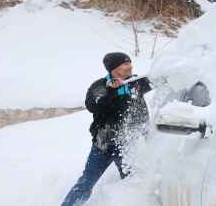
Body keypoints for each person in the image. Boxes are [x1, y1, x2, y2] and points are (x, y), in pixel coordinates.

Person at [61, 52, 152, 206]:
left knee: (134, 183)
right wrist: (111, 91)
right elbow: (93, 105)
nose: (129, 66)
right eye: (125, 64)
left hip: (128, 145)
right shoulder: (100, 87)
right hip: (104, 145)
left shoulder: (135, 82)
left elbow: (162, 79)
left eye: (130, 63)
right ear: (114, 68)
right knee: (86, 182)